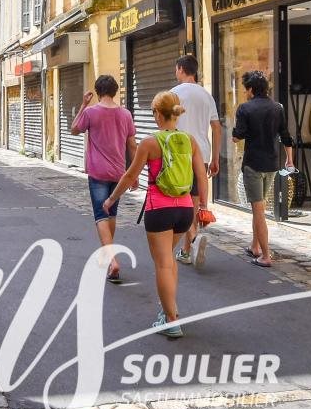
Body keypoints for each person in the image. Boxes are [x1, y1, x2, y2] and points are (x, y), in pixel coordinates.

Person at [103, 92, 207, 339]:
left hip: (159, 210)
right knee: (168, 260)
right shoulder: (190, 140)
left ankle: (171, 321)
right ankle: (170, 309)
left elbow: (129, 176)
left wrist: (111, 199)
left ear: (158, 114)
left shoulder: (150, 143)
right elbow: (201, 176)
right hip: (184, 210)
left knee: (162, 263)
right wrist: (203, 206)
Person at [70, 74, 137, 284]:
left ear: (98, 92)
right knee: (112, 214)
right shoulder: (125, 114)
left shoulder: (91, 112)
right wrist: (133, 174)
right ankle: (108, 255)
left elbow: (74, 130)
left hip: (98, 172)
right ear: (115, 91)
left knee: (100, 215)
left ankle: (112, 260)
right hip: (119, 173)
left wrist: (83, 104)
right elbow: (132, 145)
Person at [231, 69, 295, 268]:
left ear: (250, 89)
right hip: (272, 164)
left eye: (245, 89)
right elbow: (285, 135)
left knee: (258, 210)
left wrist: (238, 130)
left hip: (253, 165)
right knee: (259, 207)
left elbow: (237, 136)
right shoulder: (278, 108)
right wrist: (290, 160)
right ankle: (255, 246)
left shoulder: (244, 108)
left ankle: (265, 255)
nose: (245, 92)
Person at [170, 54, 222, 269]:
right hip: (202, 153)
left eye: (176, 69)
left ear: (181, 69)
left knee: (181, 202)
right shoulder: (206, 95)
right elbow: (217, 127)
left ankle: (191, 240)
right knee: (194, 202)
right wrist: (215, 158)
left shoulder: (174, 94)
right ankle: (188, 249)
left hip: (180, 153)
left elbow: (167, 124)